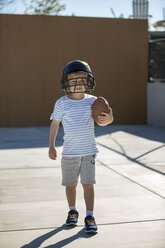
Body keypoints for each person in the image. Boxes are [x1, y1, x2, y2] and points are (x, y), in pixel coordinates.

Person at [48, 60, 113, 233]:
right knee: (70, 185)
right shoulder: (61, 103)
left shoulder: (93, 101)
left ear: (89, 82)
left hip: (89, 152)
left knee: (88, 184)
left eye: (82, 80)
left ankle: (90, 215)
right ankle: (72, 211)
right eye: (73, 80)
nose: (78, 84)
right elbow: (55, 123)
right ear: (66, 82)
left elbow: (107, 118)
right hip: (69, 153)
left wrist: (110, 118)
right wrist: (51, 146)